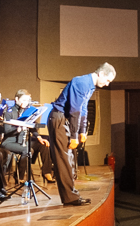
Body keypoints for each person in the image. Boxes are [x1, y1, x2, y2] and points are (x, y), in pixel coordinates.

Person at [48, 63, 115, 207]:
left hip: (66, 120)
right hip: (59, 118)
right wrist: (74, 135)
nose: (107, 84)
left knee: (70, 159)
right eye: (107, 80)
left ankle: (71, 195)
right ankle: (70, 197)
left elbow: (83, 109)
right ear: (101, 74)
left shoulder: (90, 86)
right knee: (64, 159)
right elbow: (75, 111)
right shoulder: (81, 82)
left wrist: (82, 131)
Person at [1, 89, 55, 184]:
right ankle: (20, 176)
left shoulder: (28, 111)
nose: (26, 103)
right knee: (27, 150)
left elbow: (32, 127)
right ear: (17, 99)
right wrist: (18, 129)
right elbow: (6, 130)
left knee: (43, 144)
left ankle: (46, 172)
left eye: (27, 100)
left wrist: (39, 137)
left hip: (22, 141)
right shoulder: (9, 112)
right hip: (9, 141)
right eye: (24, 100)